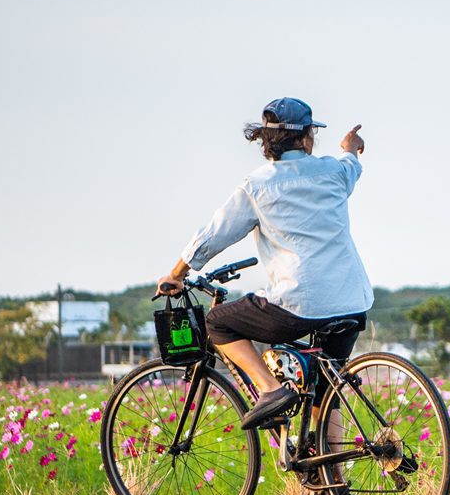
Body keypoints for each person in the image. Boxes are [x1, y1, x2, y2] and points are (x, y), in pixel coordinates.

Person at [158, 98, 372, 431]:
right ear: (305, 138)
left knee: (217, 323)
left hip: (299, 303)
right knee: (324, 397)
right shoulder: (334, 172)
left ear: (265, 140)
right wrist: (349, 146)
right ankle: (333, 481)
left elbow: (214, 235)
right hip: (352, 302)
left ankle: (270, 390)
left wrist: (175, 275)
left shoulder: (257, 185)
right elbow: (350, 162)